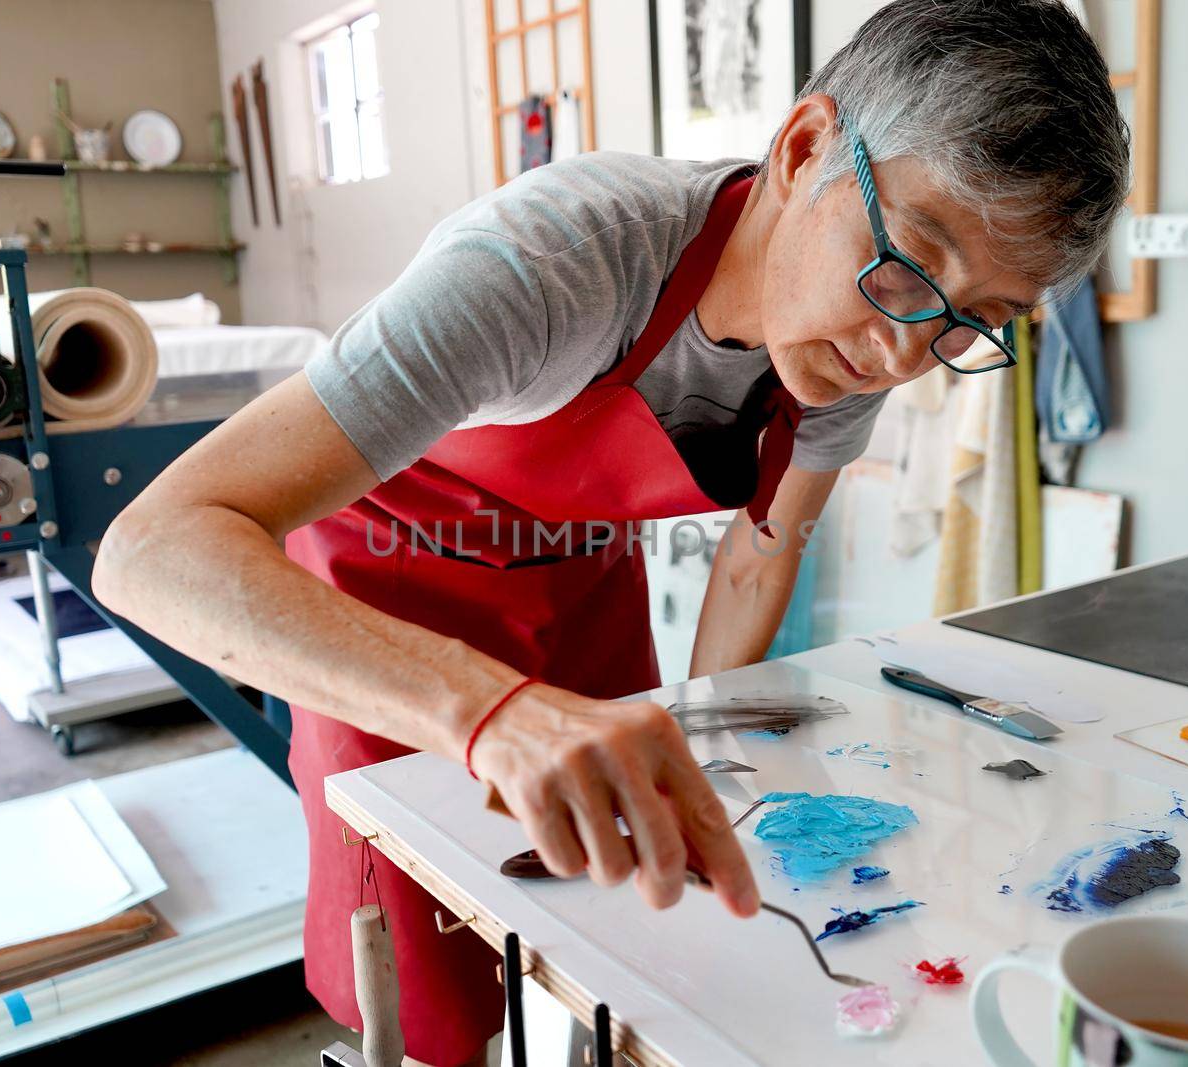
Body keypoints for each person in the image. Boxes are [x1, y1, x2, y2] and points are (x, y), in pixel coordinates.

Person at [94, 1, 1128, 1062]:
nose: (910, 352)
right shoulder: (555, 262)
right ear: (805, 146)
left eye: (975, 319)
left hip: (580, 582)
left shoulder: (856, 339)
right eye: (908, 263)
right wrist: (493, 712)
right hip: (388, 590)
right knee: (430, 974)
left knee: (625, 932)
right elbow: (152, 547)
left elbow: (759, 550)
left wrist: (711, 743)